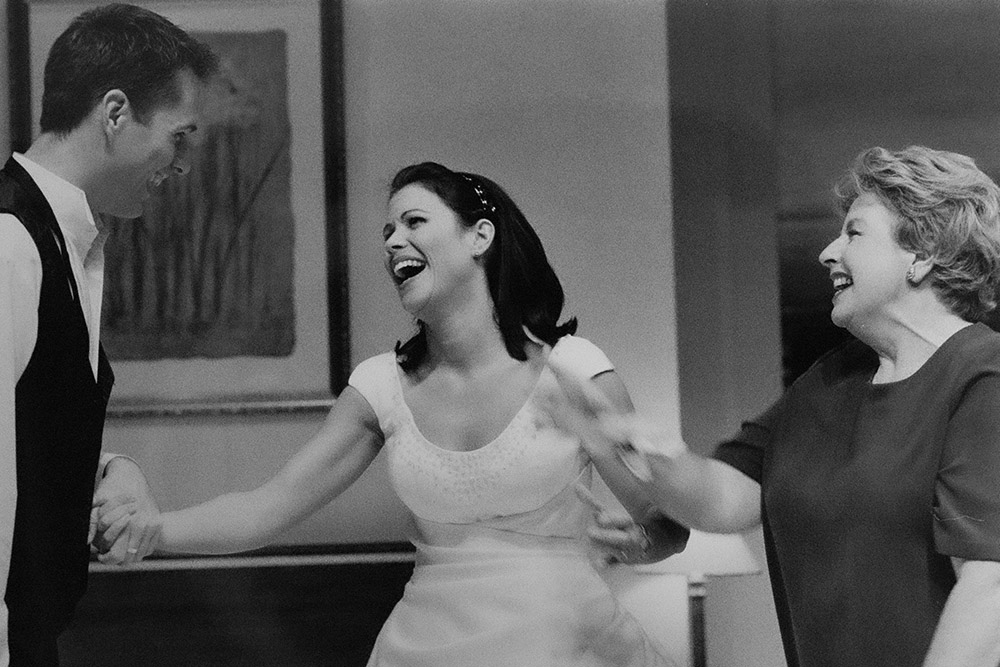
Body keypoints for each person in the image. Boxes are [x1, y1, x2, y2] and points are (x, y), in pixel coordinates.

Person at [98, 161, 689, 666]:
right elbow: (266, 508)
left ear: (479, 237)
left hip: (567, 642)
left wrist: (637, 543)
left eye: (414, 222)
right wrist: (150, 530)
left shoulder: (573, 369)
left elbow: (668, 526)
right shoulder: (381, 386)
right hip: (425, 647)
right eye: (387, 231)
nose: (392, 242)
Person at [545, 145, 1000, 667]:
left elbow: (991, 588)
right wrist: (630, 445)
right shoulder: (831, 379)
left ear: (922, 254)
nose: (828, 252)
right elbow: (724, 500)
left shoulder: (983, 375)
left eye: (854, 233)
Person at [0, 4, 218, 665]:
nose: (183, 164)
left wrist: (104, 469)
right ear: (116, 112)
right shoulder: (9, 244)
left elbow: (22, 429)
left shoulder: (66, 243)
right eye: (179, 137)